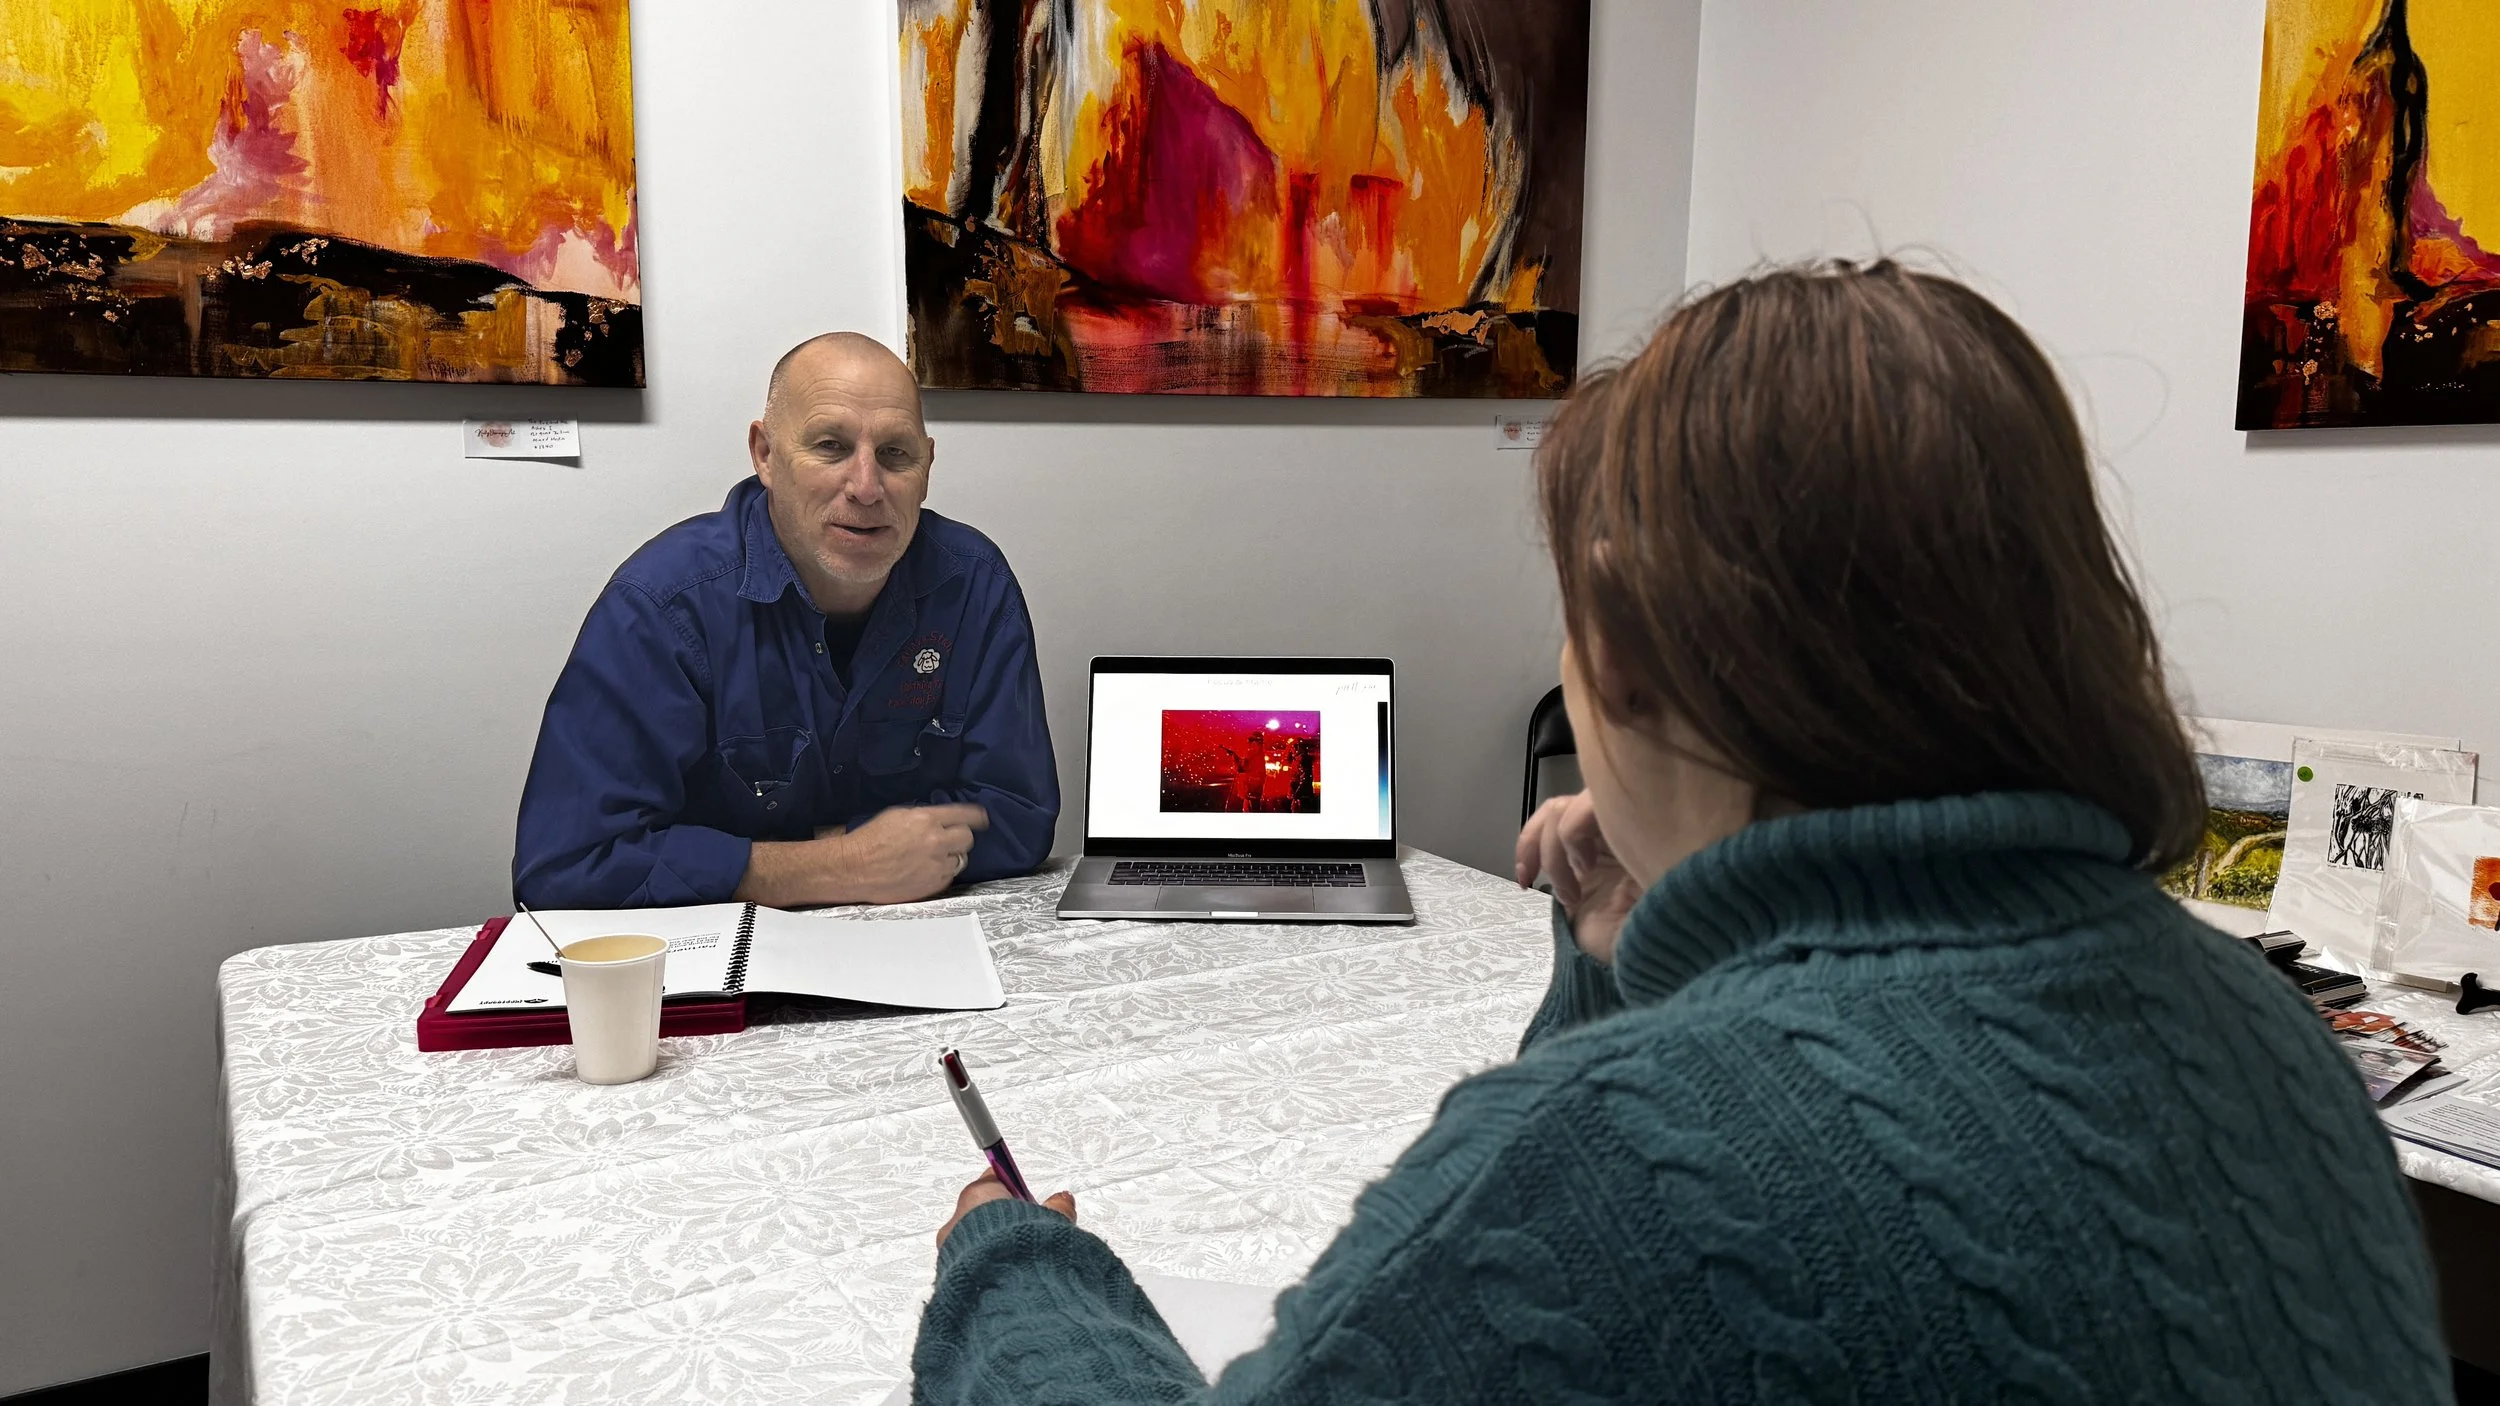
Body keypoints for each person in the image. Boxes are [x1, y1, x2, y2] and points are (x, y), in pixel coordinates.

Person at [905, 263, 2449, 1400]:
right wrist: (1629, 964)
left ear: (1624, 666)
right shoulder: (2270, 1032)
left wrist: (1011, 1271)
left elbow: (1602, 1196)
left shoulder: (1623, 1157)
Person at [512, 332, 1057, 909]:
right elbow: (566, 867)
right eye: (830, 446)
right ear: (765, 455)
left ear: (927, 465)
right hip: (726, 961)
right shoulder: (663, 605)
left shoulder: (972, 584)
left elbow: (1019, 815)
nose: (867, 487)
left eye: (896, 453)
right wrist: (839, 866)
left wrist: (805, 853)